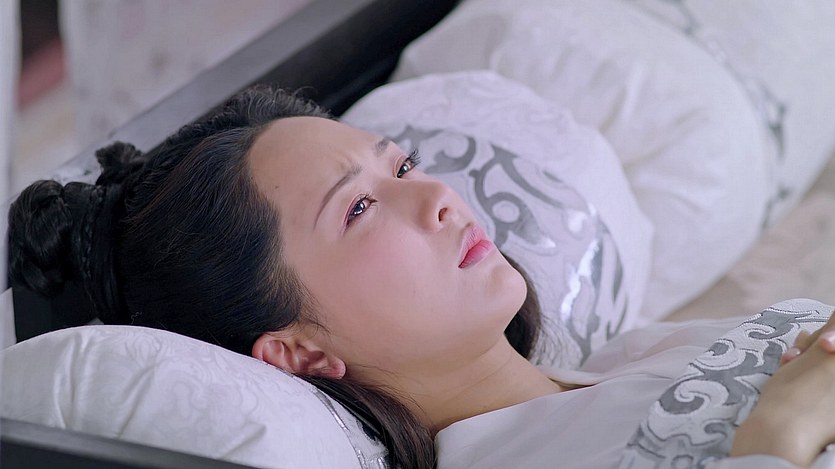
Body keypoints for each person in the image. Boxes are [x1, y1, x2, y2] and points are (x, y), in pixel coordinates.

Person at [7, 85, 835, 469]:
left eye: (402, 165)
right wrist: (782, 431)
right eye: (360, 208)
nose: (437, 197)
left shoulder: (632, 354)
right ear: (296, 350)